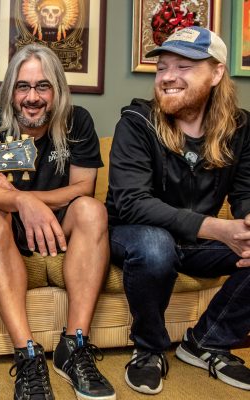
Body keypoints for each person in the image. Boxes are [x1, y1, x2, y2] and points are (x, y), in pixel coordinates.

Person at [107, 26, 250, 395]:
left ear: (216, 73)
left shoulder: (240, 128)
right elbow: (132, 203)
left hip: (195, 242)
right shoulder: (137, 122)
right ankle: (149, 348)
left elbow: (245, 193)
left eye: (184, 66)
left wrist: (248, 222)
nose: (168, 76)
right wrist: (218, 229)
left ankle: (207, 341)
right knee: (157, 246)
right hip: (133, 235)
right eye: (162, 68)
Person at [0, 43, 115, 400]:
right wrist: (21, 203)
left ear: (57, 90)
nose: (32, 97)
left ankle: (74, 346)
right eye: (23, 86)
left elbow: (84, 187)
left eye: (42, 86)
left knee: (92, 210)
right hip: (8, 225)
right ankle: (28, 355)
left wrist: (31, 200)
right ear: (10, 91)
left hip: (59, 226)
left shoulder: (77, 121)